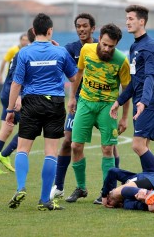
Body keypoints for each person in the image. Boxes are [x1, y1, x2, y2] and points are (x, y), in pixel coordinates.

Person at [6, 13, 77, 211]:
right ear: (50, 31)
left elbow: (16, 84)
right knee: (51, 153)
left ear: (33, 31)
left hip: (31, 103)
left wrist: (11, 109)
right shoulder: (60, 52)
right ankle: (45, 199)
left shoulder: (24, 53)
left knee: (22, 149)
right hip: (54, 103)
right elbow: (73, 78)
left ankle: (21, 187)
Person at [50, 13, 121, 205]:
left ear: (93, 28)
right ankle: (60, 186)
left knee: (110, 146)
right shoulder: (71, 49)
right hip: (82, 103)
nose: (81, 29)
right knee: (68, 141)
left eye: (84, 26)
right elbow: (64, 63)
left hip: (104, 104)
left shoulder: (104, 46)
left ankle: (109, 189)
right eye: (78, 26)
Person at [65, 23, 131, 203]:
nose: (107, 48)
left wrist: (124, 117)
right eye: (104, 44)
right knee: (75, 146)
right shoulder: (86, 50)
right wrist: (72, 98)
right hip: (85, 103)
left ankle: (106, 192)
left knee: (108, 148)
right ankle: (81, 187)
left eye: (111, 46)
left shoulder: (121, 61)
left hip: (107, 106)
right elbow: (79, 73)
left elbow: (126, 91)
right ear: (99, 38)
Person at [110, 4, 154, 173]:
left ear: (142, 22)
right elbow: (135, 81)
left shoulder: (149, 46)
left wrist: (144, 102)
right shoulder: (135, 46)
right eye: (127, 19)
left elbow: (151, 77)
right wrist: (119, 101)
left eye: (131, 19)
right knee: (143, 146)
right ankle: (151, 188)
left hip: (148, 103)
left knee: (137, 145)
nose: (127, 22)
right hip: (140, 102)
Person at [0, 28, 35, 175]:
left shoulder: (21, 52)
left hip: (6, 93)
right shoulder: (26, 53)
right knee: (29, 126)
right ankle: (5, 154)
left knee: (6, 129)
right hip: (13, 94)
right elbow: (18, 78)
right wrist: (18, 96)